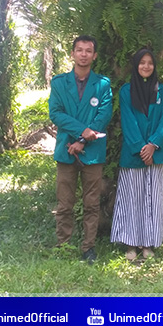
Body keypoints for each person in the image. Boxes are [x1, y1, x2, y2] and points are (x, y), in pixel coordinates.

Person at [48, 35, 113, 265]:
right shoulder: (58, 83)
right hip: (66, 151)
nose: (84, 54)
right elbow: (55, 113)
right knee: (64, 203)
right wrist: (82, 131)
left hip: (92, 152)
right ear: (72, 54)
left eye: (88, 51)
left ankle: (88, 247)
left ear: (94, 56)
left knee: (91, 203)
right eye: (79, 50)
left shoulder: (103, 84)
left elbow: (104, 115)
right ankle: (63, 245)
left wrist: (84, 141)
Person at [111, 49, 163, 261]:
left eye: (150, 63)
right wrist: (141, 148)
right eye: (142, 63)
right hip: (134, 154)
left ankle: (148, 244)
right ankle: (130, 245)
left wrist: (153, 145)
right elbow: (128, 121)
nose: (146, 66)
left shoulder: (162, 91)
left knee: (152, 200)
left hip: (156, 153)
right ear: (136, 65)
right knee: (132, 199)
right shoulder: (126, 91)